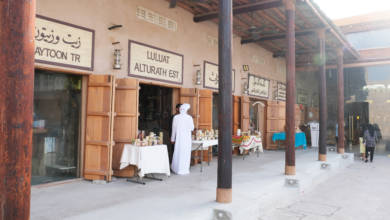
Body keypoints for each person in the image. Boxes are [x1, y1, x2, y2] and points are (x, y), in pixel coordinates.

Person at [170, 103, 194, 175]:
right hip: (186, 139)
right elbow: (192, 128)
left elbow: (173, 129)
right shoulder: (189, 117)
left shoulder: (176, 117)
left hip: (179, 139)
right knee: (185, 153)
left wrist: (172, 139)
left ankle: (176, 168)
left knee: (177, 152)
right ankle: (184, 169)